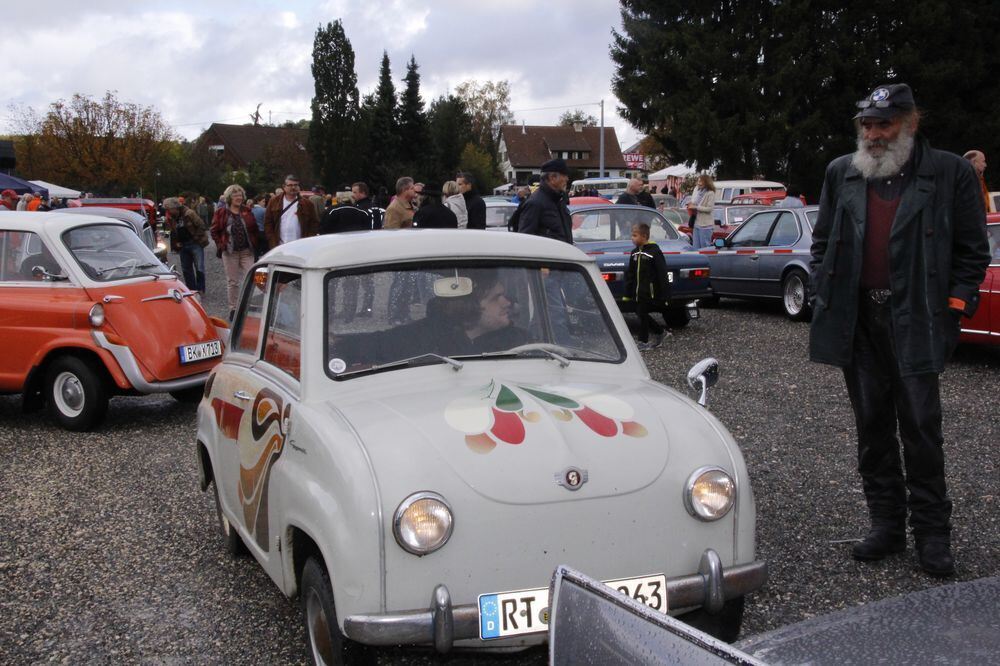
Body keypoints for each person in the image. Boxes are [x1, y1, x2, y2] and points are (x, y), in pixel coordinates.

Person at [809, 83, 990, 577]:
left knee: (921, 430)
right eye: (867, 124)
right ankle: (886, 526)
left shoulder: (948, 171)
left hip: (919, 319)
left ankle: (932, 535)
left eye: (884, 124)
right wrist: (828, 291)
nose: (873, 133)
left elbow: (974, 251)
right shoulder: (841, 173)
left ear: (911, 123)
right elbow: (822, 241)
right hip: (858, 318)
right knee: (871, 429)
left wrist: (952, 308)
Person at [211, 184, 259, 318]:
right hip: (230, 252)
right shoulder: (221, 212)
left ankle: (250, 305)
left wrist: (256, 244)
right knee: (232, 281)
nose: (238, 197)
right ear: (229, 197)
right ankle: (234, 308)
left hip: (246, 251)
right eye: (235, 195)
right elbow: (214, 230)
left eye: (240, 195)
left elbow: (254, 229)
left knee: (253, 278)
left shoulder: (247, 211)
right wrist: (221, 244)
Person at [624, 223, 669, 350]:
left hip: (649, 292)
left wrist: (665, 294)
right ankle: (660, 332)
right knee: (640, 313)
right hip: (638, 292)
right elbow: (631, 274)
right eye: (632, 235)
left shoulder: (654, 252)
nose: (632, 238)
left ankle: (643, 341)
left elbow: (662, 272)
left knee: (642, 313)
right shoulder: (634, 253)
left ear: (644, 236)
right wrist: (627, 293)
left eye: (635, 235)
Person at [516, 158, 573, 243]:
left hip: (563, 255)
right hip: (549, 255)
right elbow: (525, 239)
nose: (567, 179)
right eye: (564, 175)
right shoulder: (535, 203)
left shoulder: (559, 201)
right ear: (552, 178)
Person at [163, 196, 210, 294]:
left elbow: (201, 225)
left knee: (199, 267)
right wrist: (176, 244)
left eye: (168, 209)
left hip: (195, 244)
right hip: (183, 245)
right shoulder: (171, 218)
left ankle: (200, 288)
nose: (167, 211)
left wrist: (196, 238)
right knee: (186, 269)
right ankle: (191, 290)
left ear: (174, 207)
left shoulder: (189, 213)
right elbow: (173, 232)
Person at [264, 174, 319, 248]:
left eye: (296, 185)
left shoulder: (307, 204)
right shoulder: (274, 201)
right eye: (290, 185)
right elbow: (268, 223)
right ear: (284, 187)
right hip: (279, 246)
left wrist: (308, 241)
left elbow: (313, 224)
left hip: (300, 246)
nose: (293, 187)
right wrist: (272, 241)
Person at [688, 174, 717, 248]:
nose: (698, 183)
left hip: (706, 225)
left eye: (700, 181)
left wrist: (696, 207)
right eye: (698, 181)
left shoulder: (710, 193)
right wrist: (690, 205)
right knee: (695, 247)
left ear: (706, 182)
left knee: (704, 247)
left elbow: (709, 209)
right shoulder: (698, 192)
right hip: (697, 223)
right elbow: (694, 202)